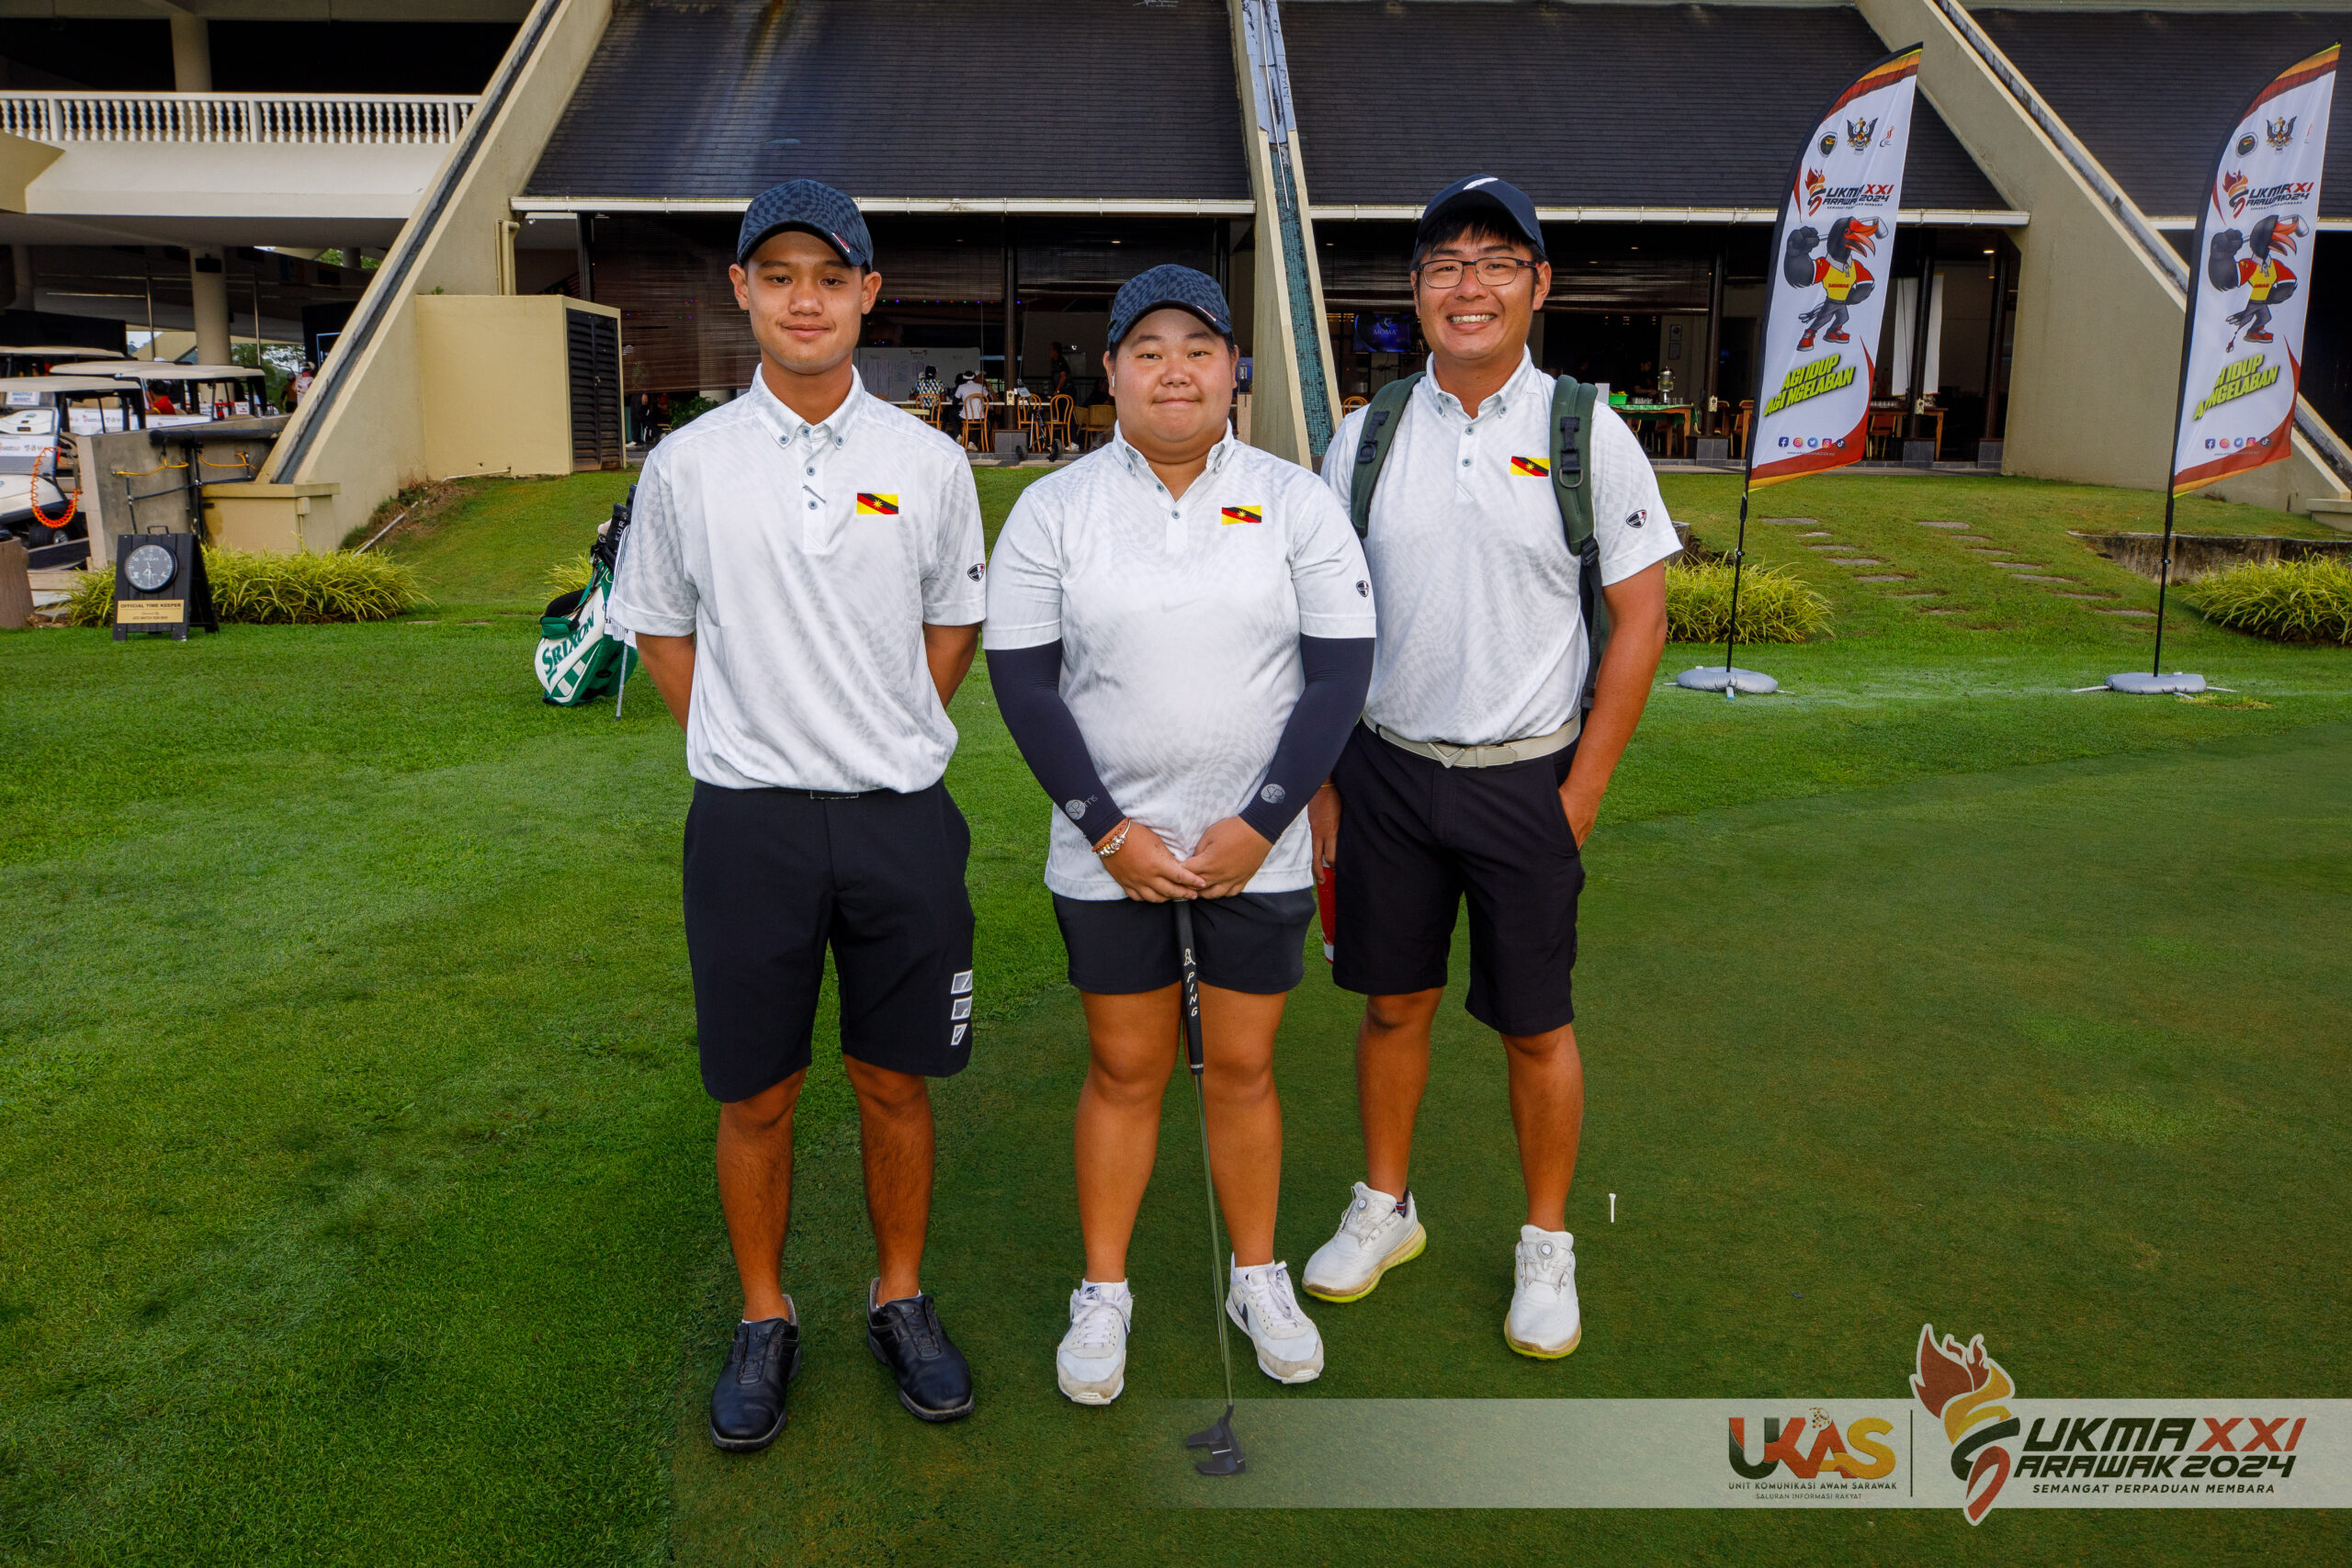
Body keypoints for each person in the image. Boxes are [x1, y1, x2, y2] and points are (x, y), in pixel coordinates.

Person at [608, 178, 989, 1452]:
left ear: (869, 292)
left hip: (897, 816)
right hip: (750, 825)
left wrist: (874, 728)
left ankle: (899, 1295)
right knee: (758, 1091)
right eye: (778, 277)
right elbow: (662, 629)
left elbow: (952, 625)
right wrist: (752, 740)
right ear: (743, 291)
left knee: (893, 1079)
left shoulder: (930, 463)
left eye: (830, 277)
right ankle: (764, 1313)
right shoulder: (687, 463)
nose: (805, 300)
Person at [1300, 175, 1677, 1360]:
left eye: (1497, 262)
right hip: (1386, 771)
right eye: (1445, 264)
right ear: (1415, 290)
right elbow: (1319, 618)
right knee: (1390, 1004)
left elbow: (1641, 617)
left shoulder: (1585, 431)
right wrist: (1324, 786)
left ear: (1538, 285)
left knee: (1534, 1024)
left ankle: (1547, 1242)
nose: (1470, 286)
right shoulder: (1365, 436)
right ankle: (1386, 1206)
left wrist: (1583, 791)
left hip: (1529, 778)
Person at [984, 265, 1375, 1404]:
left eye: (1198, 349)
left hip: (1256, 850)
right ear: (1109, 371)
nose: (1174, 371)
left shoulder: (1294, 499)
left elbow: (1338, 675)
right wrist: (1109, 833)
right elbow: (1023, 685)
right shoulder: (1054, 508)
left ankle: (1257, 1276)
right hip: (1109, 854)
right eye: (1147, 350)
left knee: (1242, 1069)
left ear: (1232, 371)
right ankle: (1103, 1291)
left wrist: (1262, 823)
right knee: (1124, 1069)